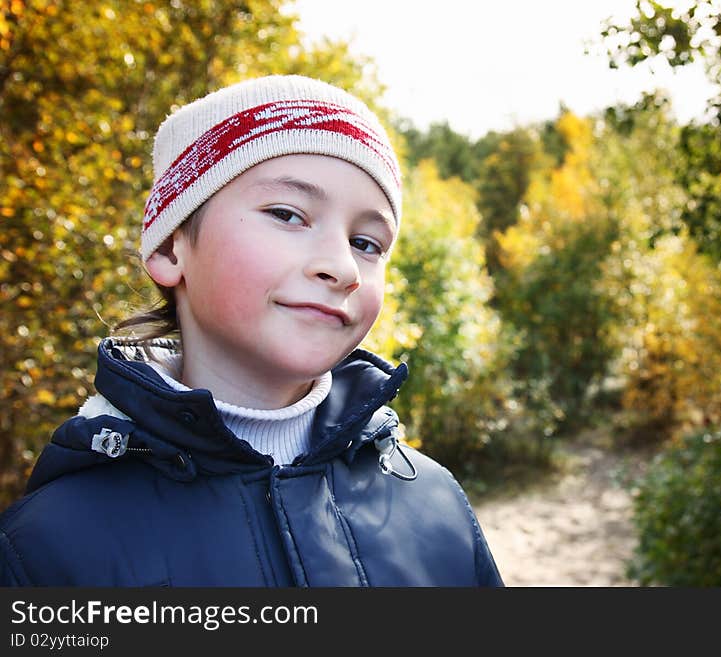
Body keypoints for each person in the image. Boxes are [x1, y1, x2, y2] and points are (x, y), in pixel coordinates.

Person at [0, 75, 504, 587]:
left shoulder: (435, 504)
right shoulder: (45, 551)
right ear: (171, 249)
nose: (343, 267)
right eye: (287, 214)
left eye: (367, 243)